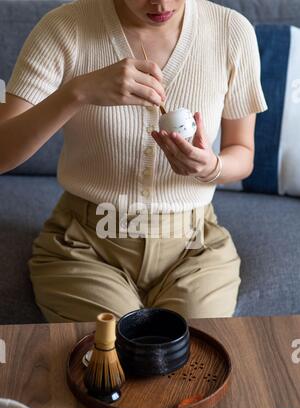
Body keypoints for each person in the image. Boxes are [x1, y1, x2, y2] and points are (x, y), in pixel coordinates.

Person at [0, 0, 268, 322]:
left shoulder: (231, 32)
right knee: (110, 356)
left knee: (193, 357)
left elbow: (242, 152)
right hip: (87, 246)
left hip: (193, 246)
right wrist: (78, 92)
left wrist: (212, 167)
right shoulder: (64, 28)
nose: (161, 3)